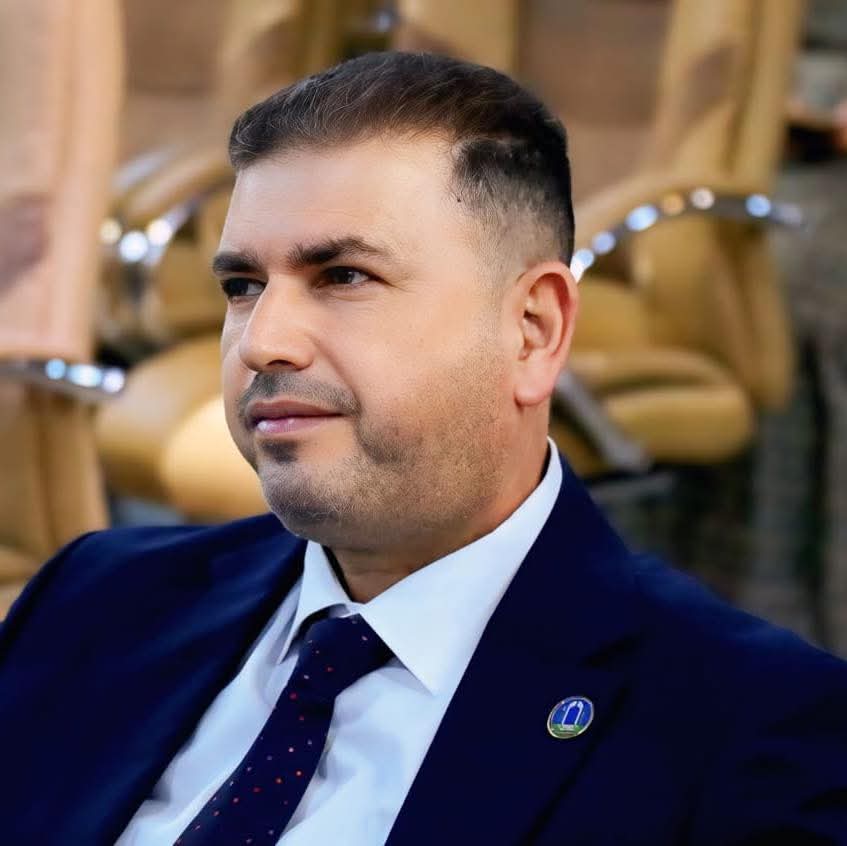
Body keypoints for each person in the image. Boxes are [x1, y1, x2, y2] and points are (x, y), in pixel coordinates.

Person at [1, 51, 846, 846]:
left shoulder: (750, 731)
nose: (261, 342)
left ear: (532, 329)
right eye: (242, 286)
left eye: (343, 277)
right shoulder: (94, 602)